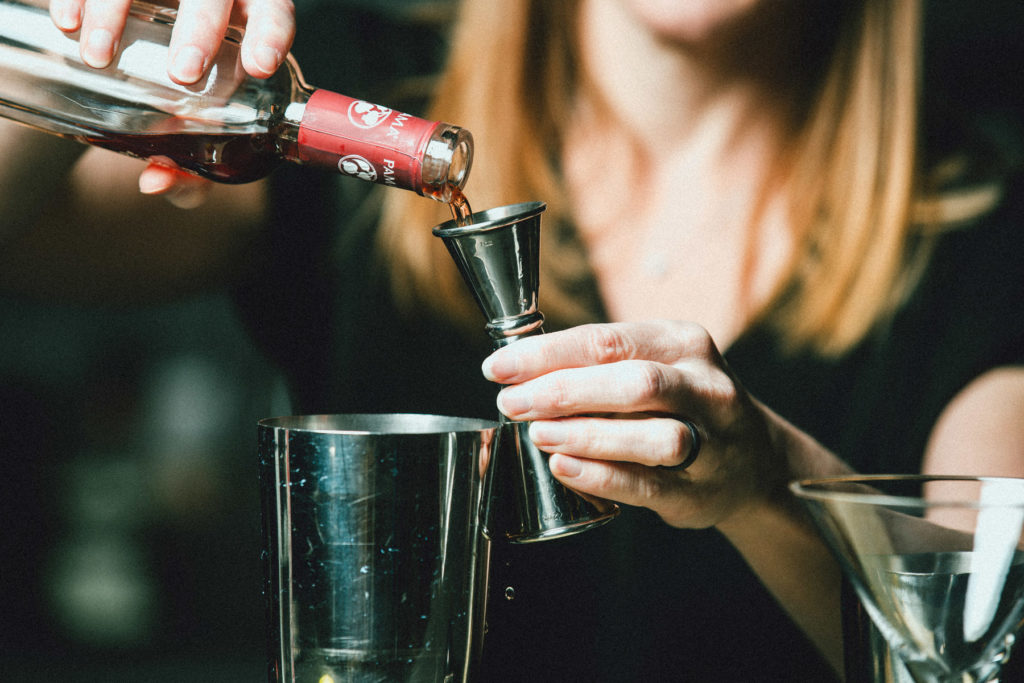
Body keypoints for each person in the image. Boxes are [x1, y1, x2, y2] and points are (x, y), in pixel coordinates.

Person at [1, 0, 1022, 680]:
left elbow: (974, 647)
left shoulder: (985, 239)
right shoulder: (343, 110)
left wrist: (764, 480)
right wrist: (74, 45)